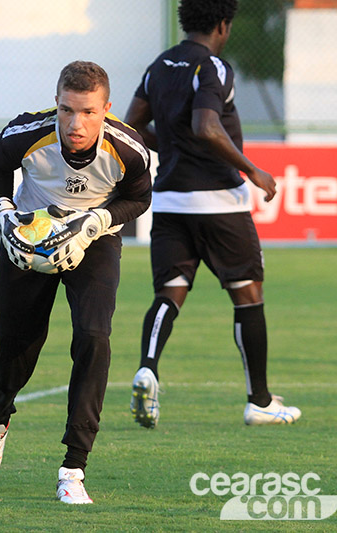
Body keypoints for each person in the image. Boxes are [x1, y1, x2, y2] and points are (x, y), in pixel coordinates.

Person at [0, 61, 152, 504]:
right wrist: (4, 211)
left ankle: (73, 467)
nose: (76, 123)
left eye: (88, 112)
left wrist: (97, 220)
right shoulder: (26, 133)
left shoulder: (129, 149)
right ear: (56, 103)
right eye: (67, 110)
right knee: (17, 347)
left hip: (94, 242)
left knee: (94, 336)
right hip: (30, 240)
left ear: (106, 109)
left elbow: (139, 197)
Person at [124, 0, 301, 429]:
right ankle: (259, 401)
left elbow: (129, 126)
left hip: (168, 202)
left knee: (170, 292)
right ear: (223, 24)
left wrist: (169, 146)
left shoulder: (159, 66)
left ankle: (148, 368)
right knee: (247, 294)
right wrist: (252, 169)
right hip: (220, 202)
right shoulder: (214, 67)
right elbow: (206, 125)